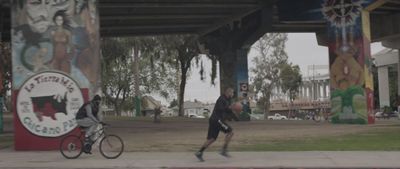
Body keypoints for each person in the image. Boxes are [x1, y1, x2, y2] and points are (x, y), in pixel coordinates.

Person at [195, 87, 239, 162]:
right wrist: (230, 108)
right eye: (232, 93)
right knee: (230, 132)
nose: (232, 94)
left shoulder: (227, 100)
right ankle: (224, 150)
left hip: (214, 120)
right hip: (216, 119)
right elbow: (221, 109)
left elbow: (228, 111)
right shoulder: (221, 99)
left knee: (212, 139)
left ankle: (200, 152)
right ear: (228, 92)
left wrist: (236, 117)